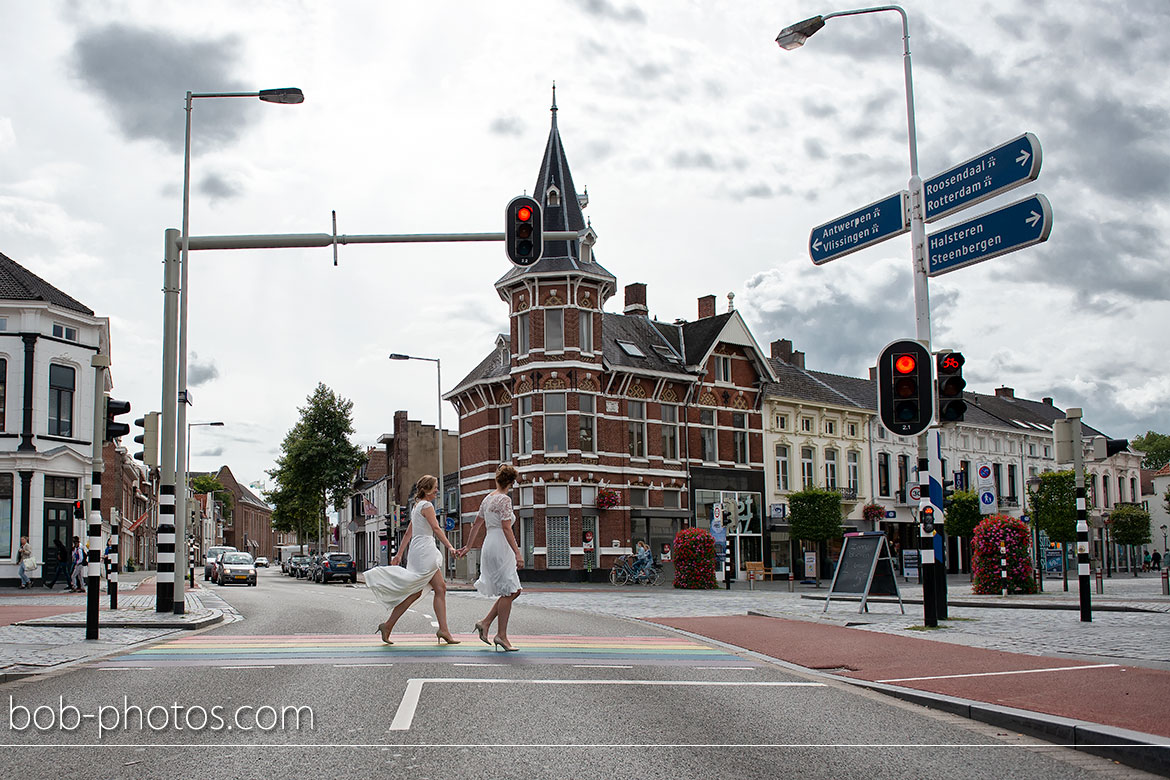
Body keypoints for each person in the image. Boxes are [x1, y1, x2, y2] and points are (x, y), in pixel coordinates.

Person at [364, 476, 460, 645]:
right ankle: (442, 630)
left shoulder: (417, 507)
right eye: (435, 487)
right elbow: (436, 528)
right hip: (425, 550)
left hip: (417, 550)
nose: (437, 490)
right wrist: (450, 546)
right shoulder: (427, 506)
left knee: (429, 590)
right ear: (428, 489)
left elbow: (409, 533)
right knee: (438, 589)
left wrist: (399, 554)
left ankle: (389, 625)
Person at [457, 463, 523, 652]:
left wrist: (469, 546)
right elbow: (506, 527)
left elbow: (476, 524)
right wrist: (518, 553)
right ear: (511, 482)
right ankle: (501, 635)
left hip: (489, 543)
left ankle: (485, 623)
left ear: (497, 479)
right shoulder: (504, 500)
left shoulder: (487, 499)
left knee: (512, 590)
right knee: (510, 591)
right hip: (500, 545)